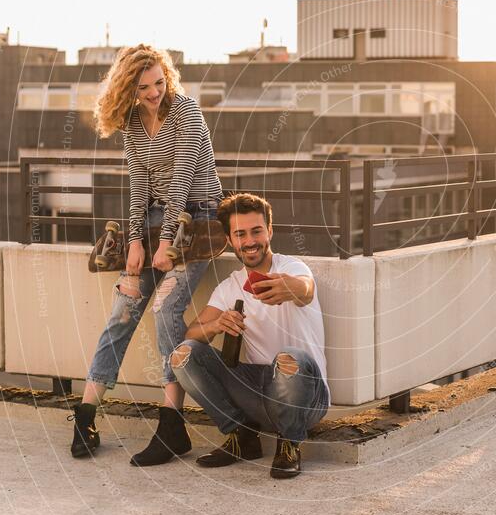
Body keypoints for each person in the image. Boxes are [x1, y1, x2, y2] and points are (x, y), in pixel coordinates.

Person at [69, 44, 223, 466]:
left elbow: (181, 184)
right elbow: (140, 186)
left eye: (159, 82)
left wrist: (169, 243)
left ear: (167, 77)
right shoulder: (134, 122)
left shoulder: (187, 113)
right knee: (123, 310)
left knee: (167, 308)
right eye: (144, 87)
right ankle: (85, 417)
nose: (154, 93)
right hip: (156, 223)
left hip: (198, 221)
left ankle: (172, 425)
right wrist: (136, 241)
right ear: (128, 89)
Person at [169, 193, 329, 479]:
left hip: (306, 395)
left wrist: (288, 288)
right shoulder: (230, 287)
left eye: (256, 231)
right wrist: (218, 323)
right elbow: (192, 332)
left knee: (289, 359)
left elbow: (305, 288)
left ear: (269, 230)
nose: (250, 241)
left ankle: (290, 443)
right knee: (183, 354)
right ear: (231, 240)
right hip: (257, 391)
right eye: (240, 234)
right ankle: (241, 437)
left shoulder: (291, 268)